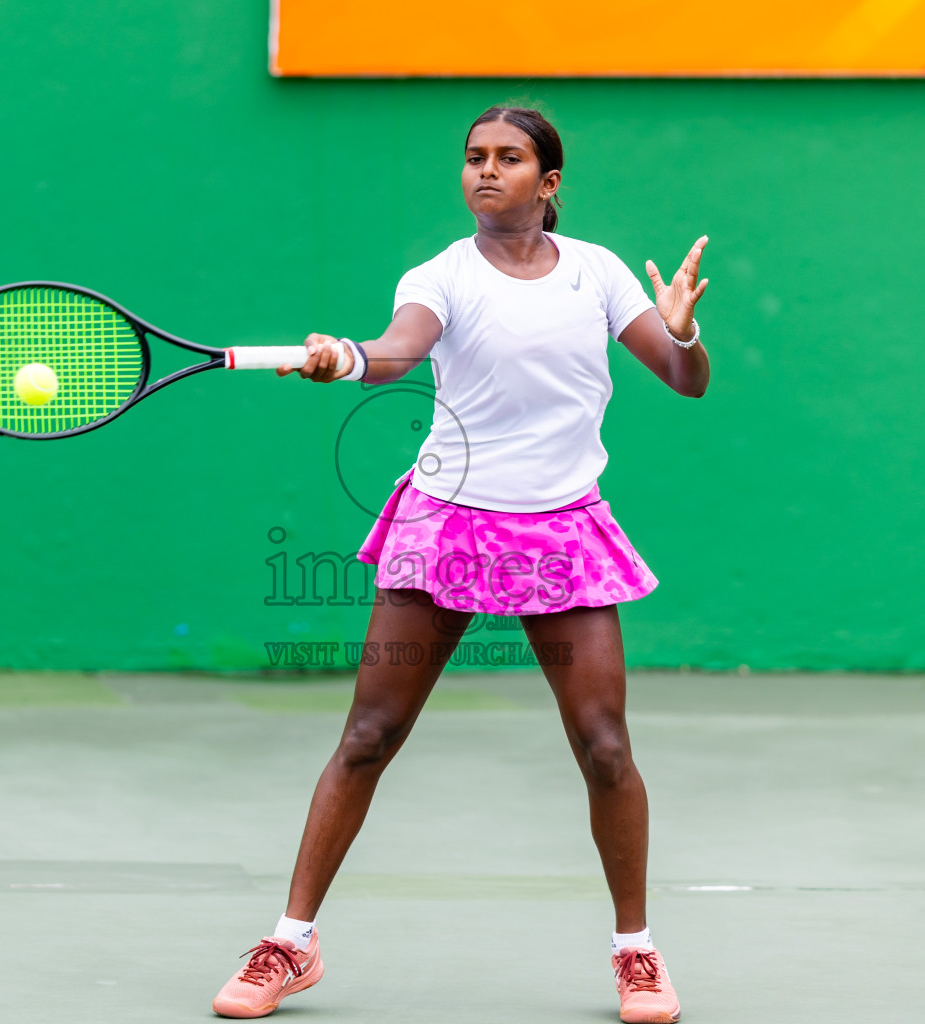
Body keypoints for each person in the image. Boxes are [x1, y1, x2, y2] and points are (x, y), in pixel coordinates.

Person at [212, 105, 710, 1024]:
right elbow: (398, 352)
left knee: (605, 748)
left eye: (509, 158)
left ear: (548, 182)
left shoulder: (598, 274)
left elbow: (686, 381)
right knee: (368, 735)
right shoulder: (442, 273)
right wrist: (345, 357)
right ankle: (291, 940)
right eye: (475, 158)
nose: (486, 171)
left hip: (561, 528)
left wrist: (679, 332)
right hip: (447, 524)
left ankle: (636, 954)